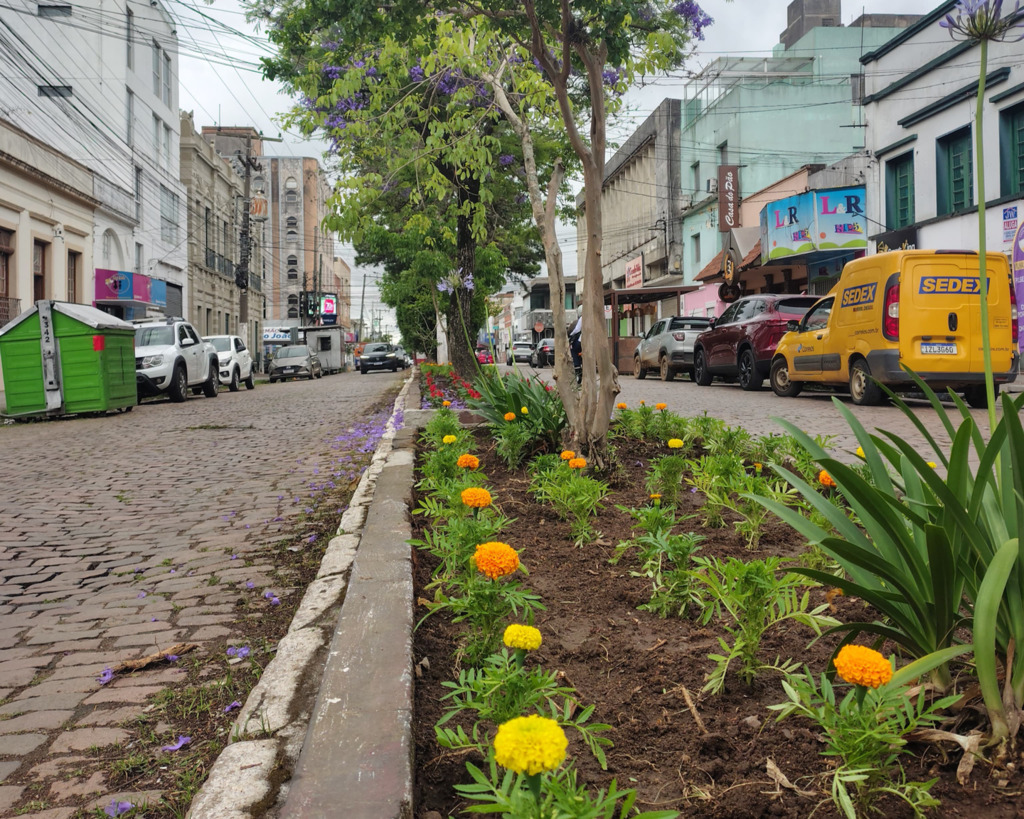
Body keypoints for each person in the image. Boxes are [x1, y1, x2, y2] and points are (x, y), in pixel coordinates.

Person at [569, 316, 583, 384]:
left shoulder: (582, 318)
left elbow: (577, 329)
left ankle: (577, 365)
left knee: (573, 349)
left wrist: (571, 335)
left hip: (582, 341)